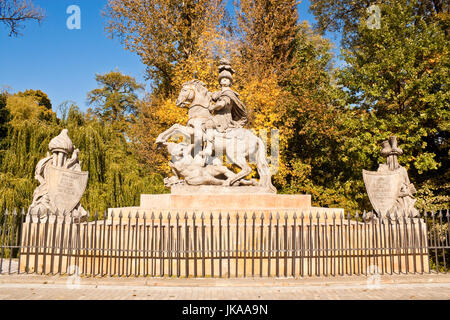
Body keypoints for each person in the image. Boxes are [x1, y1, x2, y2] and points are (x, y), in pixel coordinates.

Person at [201, 59, 247, 156]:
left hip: (224, 118)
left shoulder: (228, 93)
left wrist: (212, 108)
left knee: (208, 124)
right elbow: (211, 96)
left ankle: (209, 147)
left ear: (230, 82)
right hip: (217, 117)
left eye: (226, 79)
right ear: (220, 81)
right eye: (222, 79)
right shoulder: (218, 93)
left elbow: (221, 104)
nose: (224, 80)